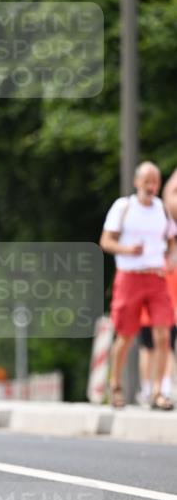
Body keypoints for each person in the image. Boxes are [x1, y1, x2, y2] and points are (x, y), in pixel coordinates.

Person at [99, 161, 177, 409]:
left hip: (156, 277)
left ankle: (157, 391)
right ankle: (116, 385)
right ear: (137, 182)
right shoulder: (124, 207)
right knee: (126, 335)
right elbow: (106, 241)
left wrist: (171, 259)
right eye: (147, 182)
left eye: (155, 182)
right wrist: (126, 249)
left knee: (163, 335)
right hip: (129, 276)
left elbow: (171, 240)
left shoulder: (161, 210)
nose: (151, 186)